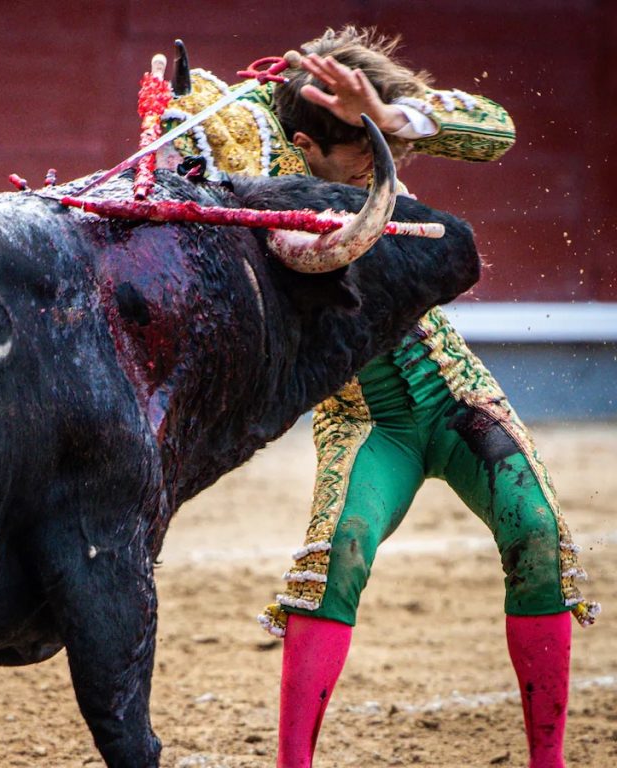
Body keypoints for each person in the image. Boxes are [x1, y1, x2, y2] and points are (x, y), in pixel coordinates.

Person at [163, 27, 599, 768]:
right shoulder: (259, 159)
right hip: (364, 421)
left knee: (535, 534)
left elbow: (496, 127)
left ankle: (547, 763)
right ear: (303, 146)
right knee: (338, 555)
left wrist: (395, 120)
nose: (381, 170)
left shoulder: (373, 127)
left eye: (383, 149)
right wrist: (176, 112)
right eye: (359, 155)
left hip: (457, 396)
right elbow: (189, 137)